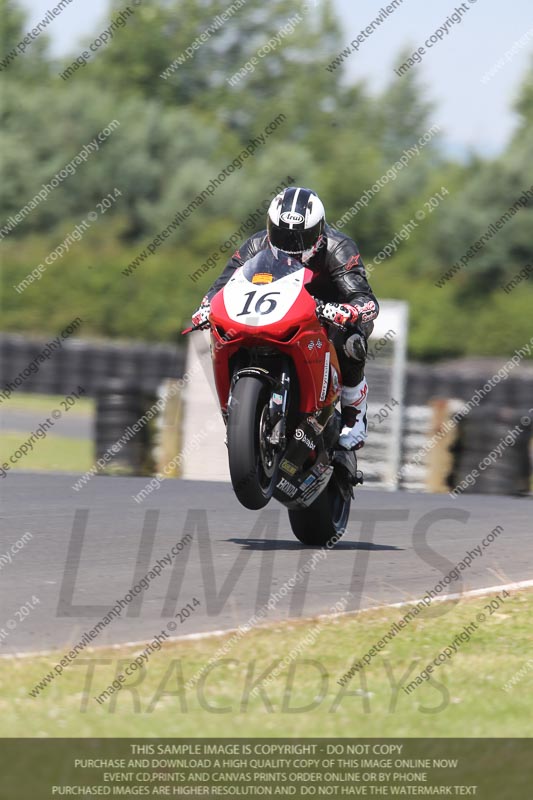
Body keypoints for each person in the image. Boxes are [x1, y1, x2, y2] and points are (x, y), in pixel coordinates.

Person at [192, 186, 379, 450]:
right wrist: (206, 306)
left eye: (300, 238)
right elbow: (222, 285)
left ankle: (354, 416)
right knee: (224, 332)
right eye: (281, 234)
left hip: (326, 315)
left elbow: (366, 300)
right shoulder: (257, 244)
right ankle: (238, 415)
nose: (290, 245)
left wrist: (348, 311)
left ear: (319, 231)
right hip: (276, 311)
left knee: (351, 342)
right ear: (270, 227)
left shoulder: (339, 248)